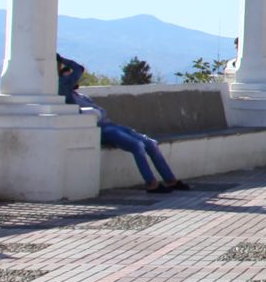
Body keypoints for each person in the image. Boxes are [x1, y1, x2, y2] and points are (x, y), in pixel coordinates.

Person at [58, 56, 188, 193]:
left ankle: (171, 181)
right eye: (68, 76)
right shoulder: (64, 92)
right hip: (101, 130)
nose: (73, 79)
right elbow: (79, 69)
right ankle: (151, 183)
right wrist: (60, 59)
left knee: (151, 143)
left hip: (111, 125)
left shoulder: (81, 96)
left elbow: (101, 111)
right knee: (137, 146)